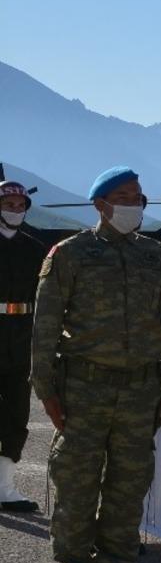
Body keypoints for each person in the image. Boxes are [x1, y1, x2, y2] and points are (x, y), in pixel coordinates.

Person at [32, 166, 161, 563]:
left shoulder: (156, 255)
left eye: (138, 197)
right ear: (100, 204)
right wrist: (46, 389)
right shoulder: (70, 254)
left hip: (141, 391)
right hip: (84, 389)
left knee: (128, 488)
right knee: (76, 487)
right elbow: (45, 326)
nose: (134, 205)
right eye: (124, 197)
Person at [0, 179, 46, 512]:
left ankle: (5, 487)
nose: (15, 210)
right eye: (8, 205)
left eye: (20, 206)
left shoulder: (35, 248)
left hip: (21, 335)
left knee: (17, 410)